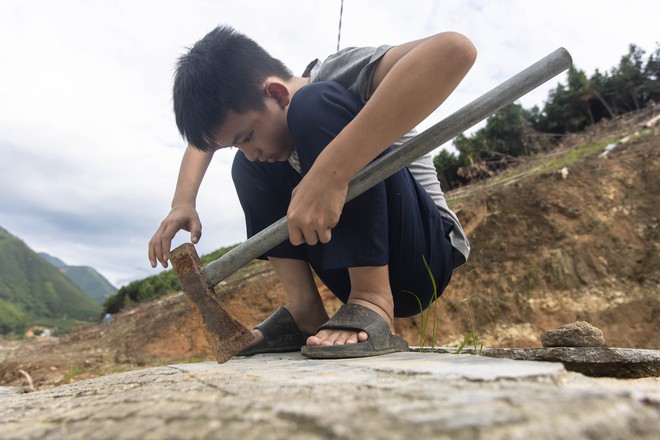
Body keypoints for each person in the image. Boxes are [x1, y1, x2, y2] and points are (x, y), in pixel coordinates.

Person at [148, 26, 476, 358]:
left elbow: (454, 50)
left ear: (276, 94)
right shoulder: (262, 130)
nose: (249, 149)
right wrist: (182, 202)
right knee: (248, 167)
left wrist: (331, 173)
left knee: (313, 103)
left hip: (423, 256)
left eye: (246, 137)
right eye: (236, 143)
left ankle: (372, 299)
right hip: (349, 271)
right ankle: (305, 312)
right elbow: (208, 142)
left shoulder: (334, 77)